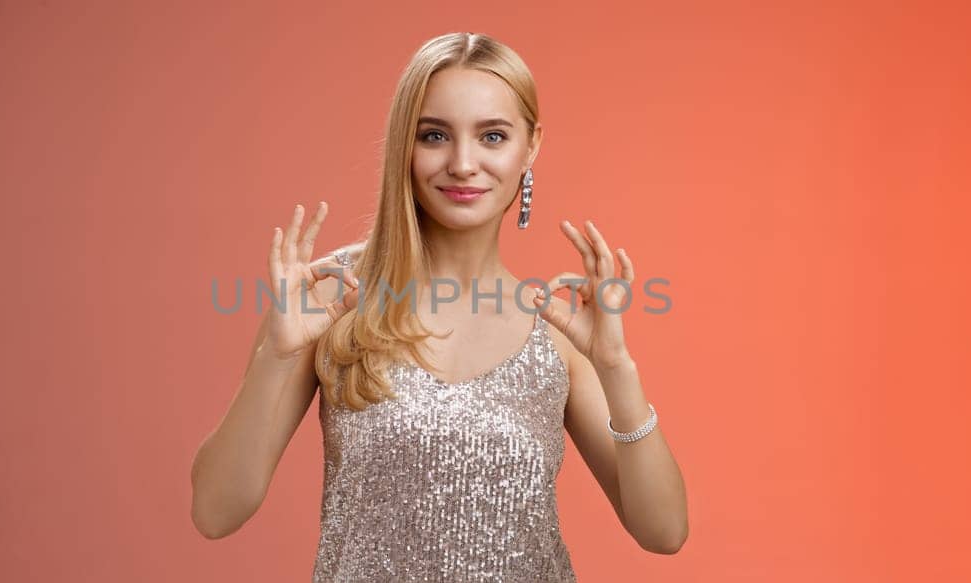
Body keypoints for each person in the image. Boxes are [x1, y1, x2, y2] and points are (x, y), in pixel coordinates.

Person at [191, 31, 688, 581]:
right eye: (434, 135)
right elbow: (215, 512)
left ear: (531, 146)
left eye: (493, 136)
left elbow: (663, 532)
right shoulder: (331, 298)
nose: (463, 163)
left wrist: (617, 368)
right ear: (406, 143)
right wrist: (276, 357)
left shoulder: (557, 327)